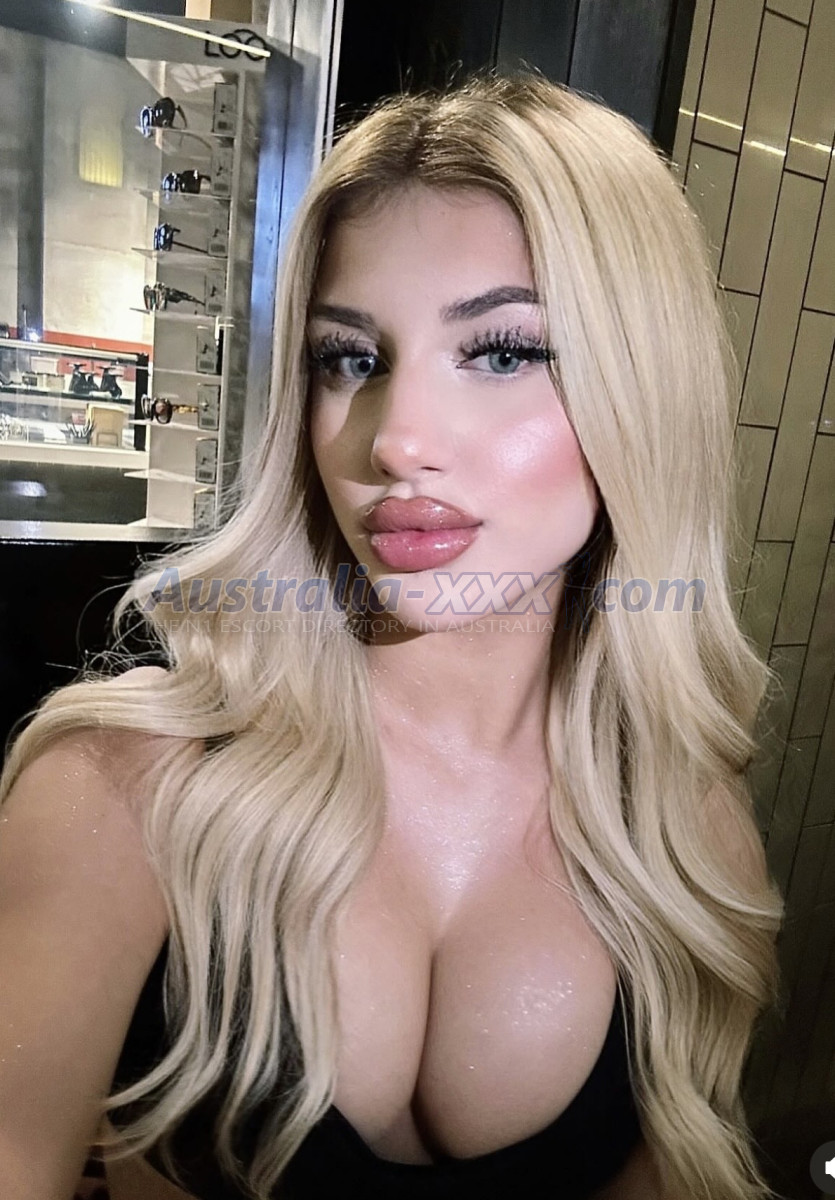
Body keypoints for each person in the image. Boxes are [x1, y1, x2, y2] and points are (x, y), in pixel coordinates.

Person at [0, 73, 784, 1200]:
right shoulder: (124, 793)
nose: (395, 440)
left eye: (503, 351)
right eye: (351, 360)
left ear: (645, 390)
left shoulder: (682, 833)